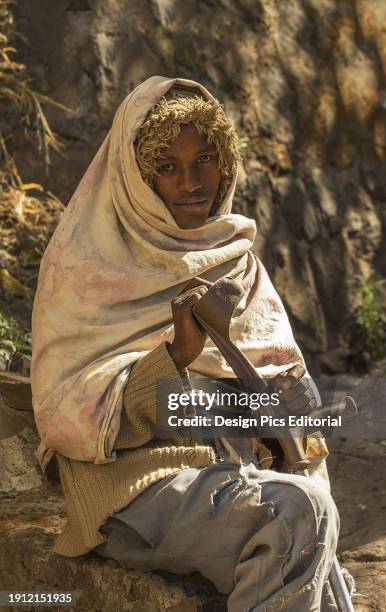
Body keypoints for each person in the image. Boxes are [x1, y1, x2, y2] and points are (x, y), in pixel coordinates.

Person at [31, 76, 343, 611]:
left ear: (226, 161)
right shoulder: (85, 267)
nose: (191, 182)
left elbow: (282, 394)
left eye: (205, 159)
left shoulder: (236, 259)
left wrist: (283, 418)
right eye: (167, 167)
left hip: (234, 474)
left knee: (320, 539)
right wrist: (176, 356)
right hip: (136, 487)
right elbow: (66, 412)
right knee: (295, 516)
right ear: (137, 177)